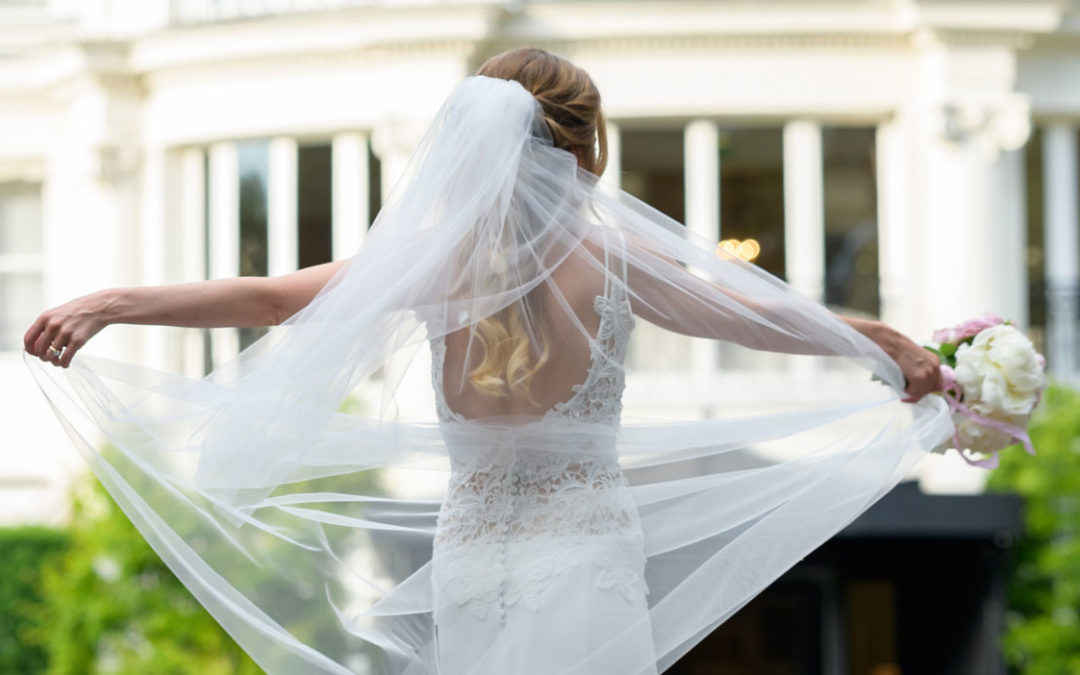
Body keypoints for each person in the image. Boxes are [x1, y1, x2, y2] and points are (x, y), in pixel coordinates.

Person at [24, 48, 950, 674]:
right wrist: (896, 350)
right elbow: (765, 320)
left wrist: (111, 302)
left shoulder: (432, 260)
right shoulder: (618, 261)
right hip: (587, 551)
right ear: (585, 145)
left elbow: (270, 298)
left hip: (468, 556)